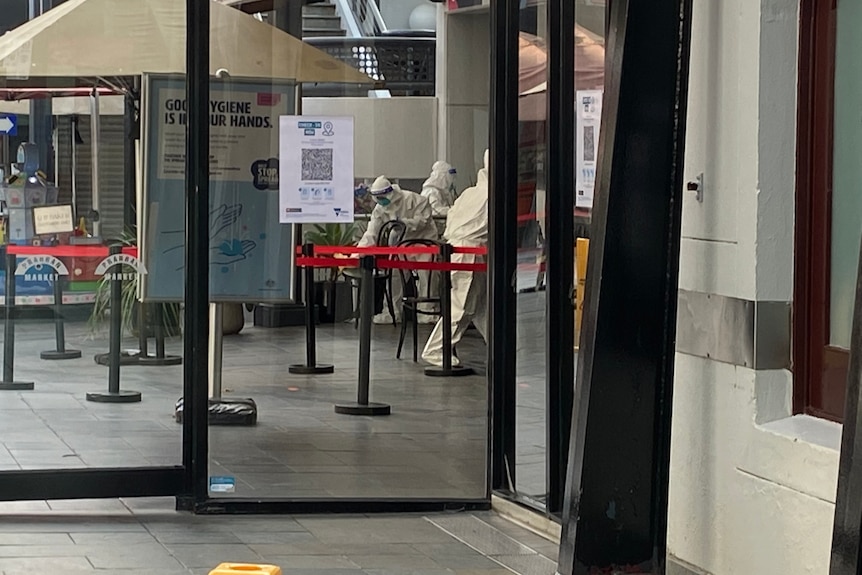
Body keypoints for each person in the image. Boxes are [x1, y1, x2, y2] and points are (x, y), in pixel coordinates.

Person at [422, 150, 489, 366]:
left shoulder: (470, 193)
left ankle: (503, 348)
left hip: (458, 250)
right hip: (469, 253)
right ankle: (435, 349)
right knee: (461, 305)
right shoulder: (490, 194)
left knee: (480, 306)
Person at [358, 176, 439, 324]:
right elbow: (372, 231)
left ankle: (427, 312)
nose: (381, 201)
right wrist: (361, 250)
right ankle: (392, 312)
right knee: (394, 276)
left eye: (383, 197)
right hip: (401, 245)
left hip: (423, 244)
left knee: (427, 276)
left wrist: (402, 224)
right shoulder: (380, 209)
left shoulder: (416, 200)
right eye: (378, 199)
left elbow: (422, 221)